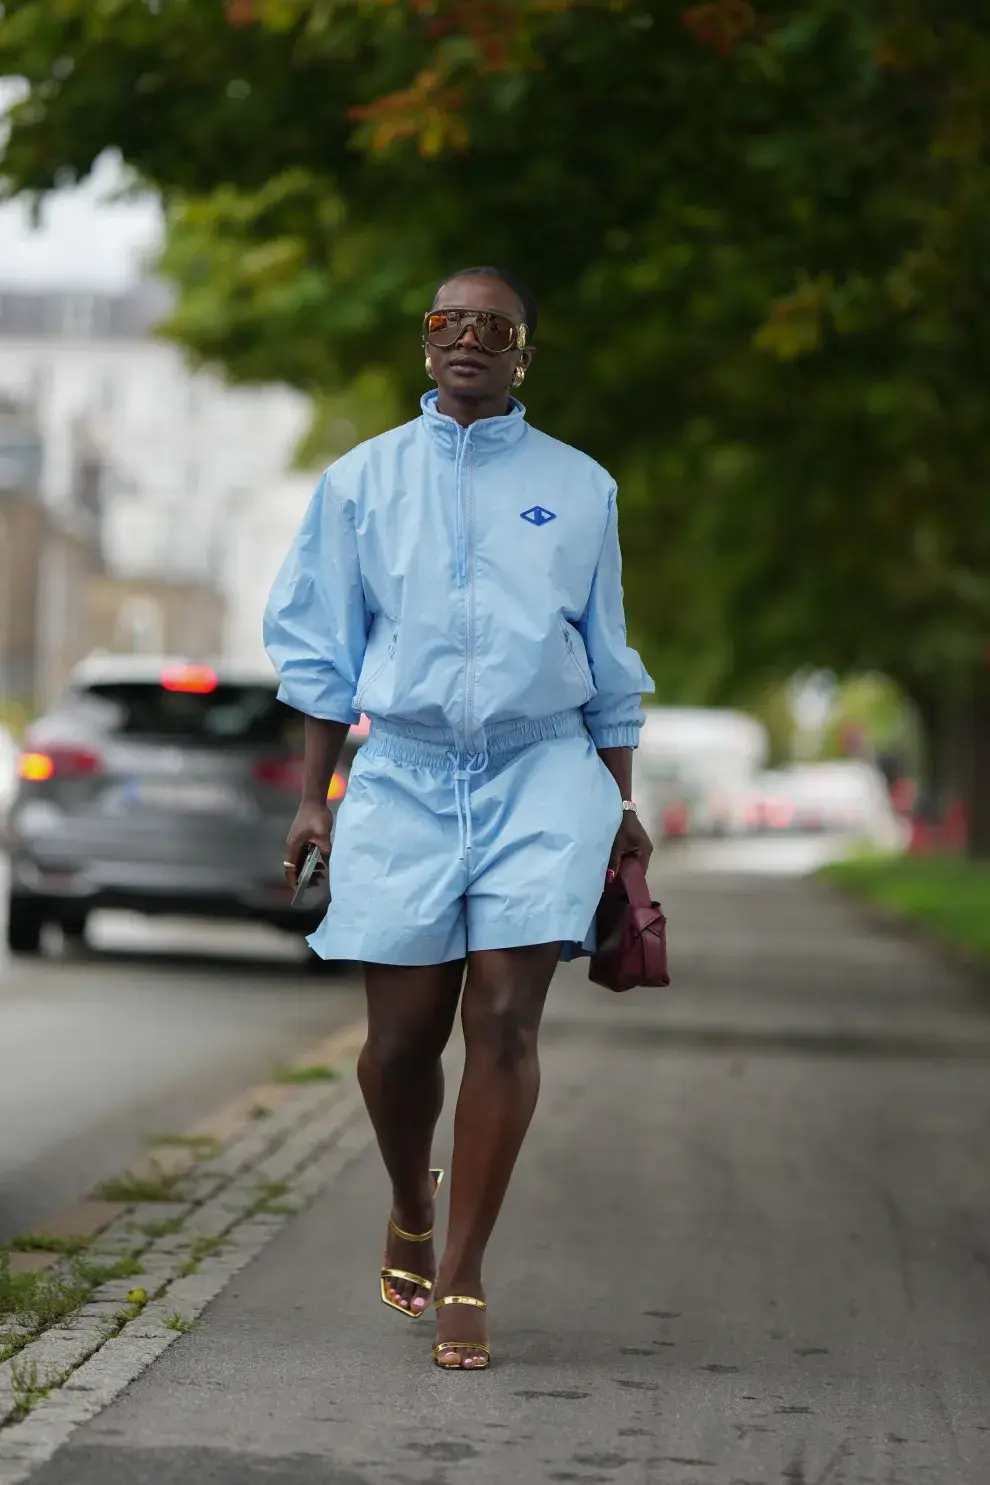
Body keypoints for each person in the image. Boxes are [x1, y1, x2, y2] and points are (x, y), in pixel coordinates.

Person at [264, 266, 654, 1371]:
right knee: (397, 1046)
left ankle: (464, 1272)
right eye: (448, 321)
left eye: (494, 325)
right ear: (425, 344)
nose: (469, 338)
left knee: (505, 1022)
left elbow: (608, 660)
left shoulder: (581, 488)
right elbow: (321, 655)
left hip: (544, 771)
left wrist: (620, 804)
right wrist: (311, 798)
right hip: (405, 777)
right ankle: (408, 1195)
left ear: (524, 351)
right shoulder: (359, 482)